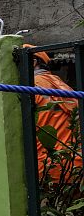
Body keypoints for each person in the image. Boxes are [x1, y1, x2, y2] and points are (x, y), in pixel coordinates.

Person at [24, 44, 81, 180]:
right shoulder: (62, 85)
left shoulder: (32, 87)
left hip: (48, 168)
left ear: (33, 63)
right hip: (75, 165)